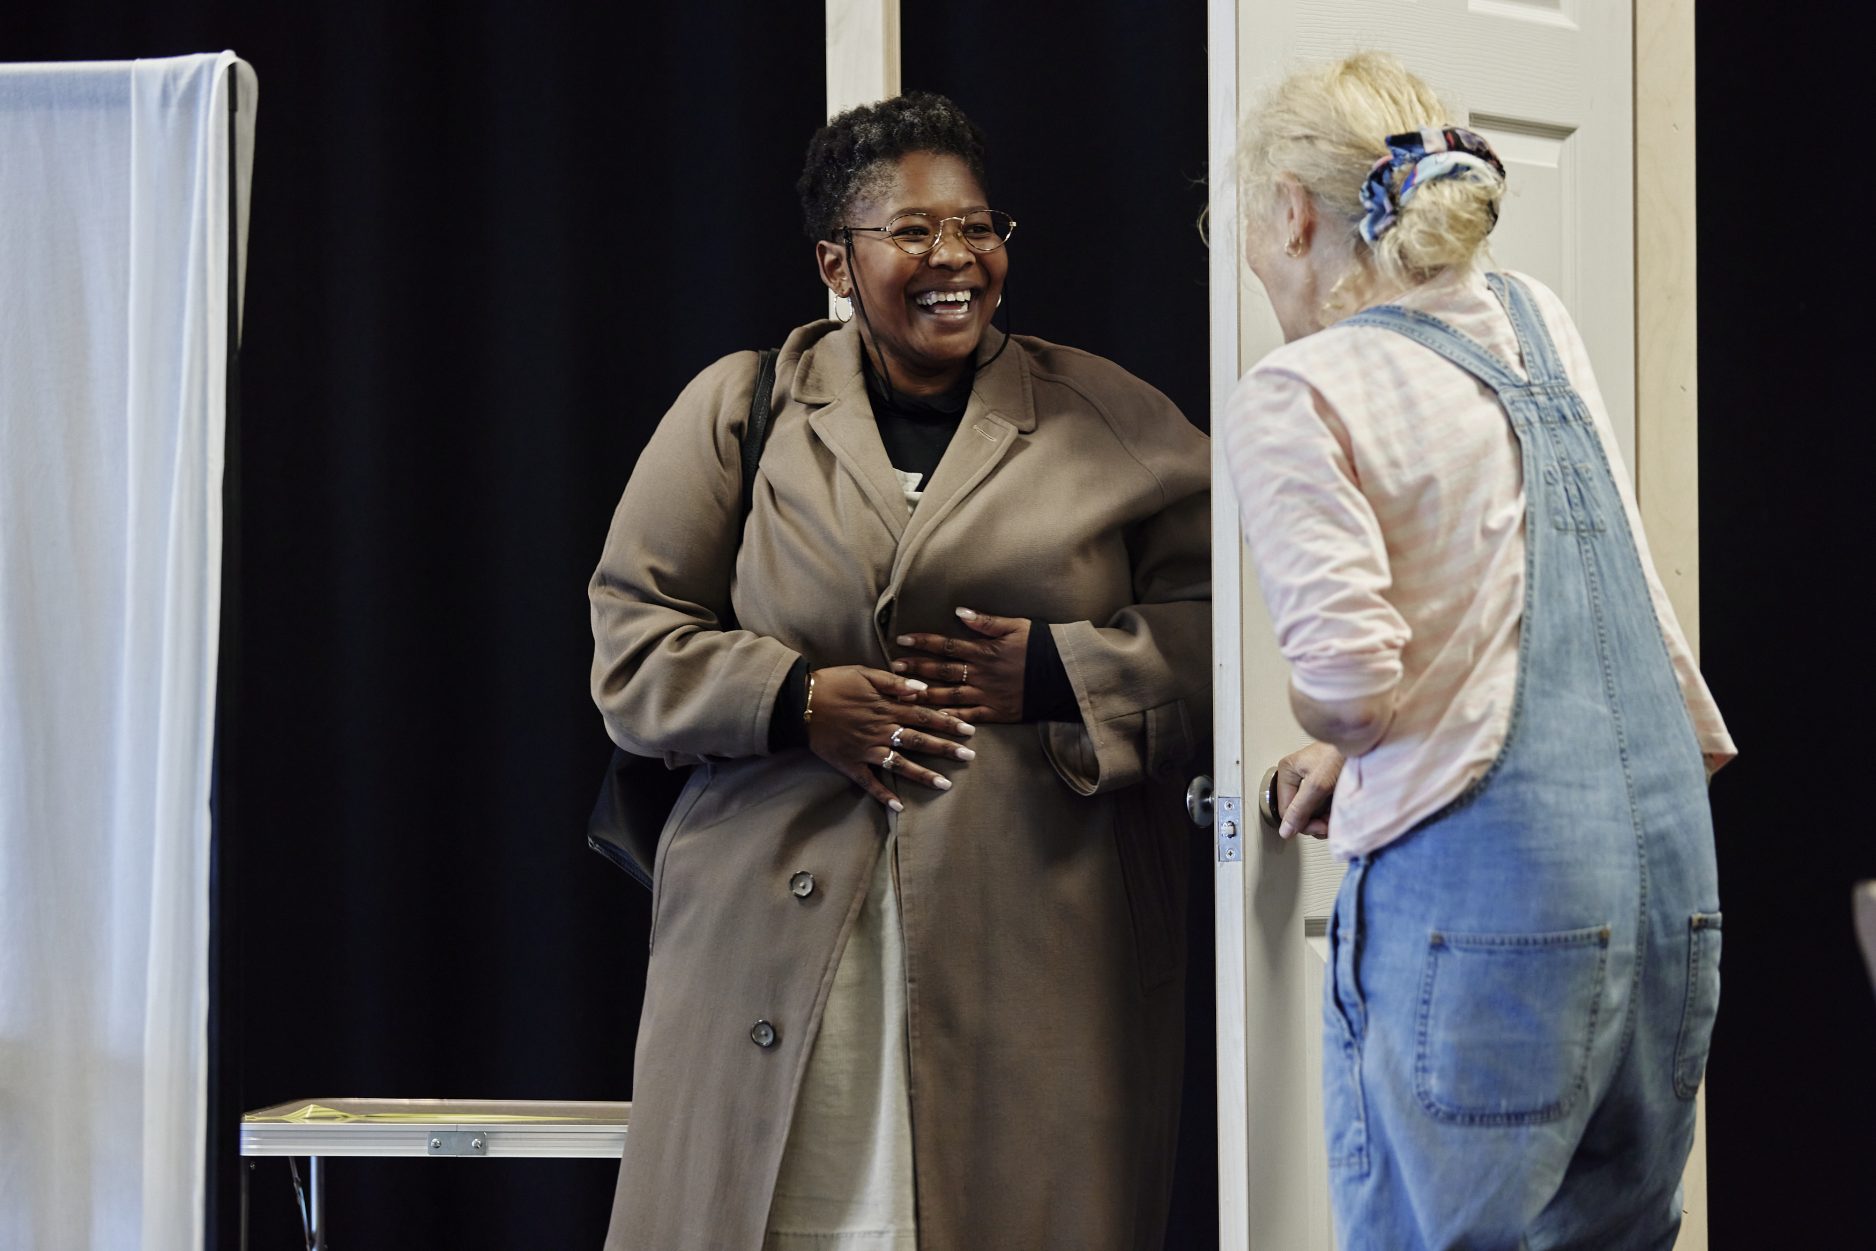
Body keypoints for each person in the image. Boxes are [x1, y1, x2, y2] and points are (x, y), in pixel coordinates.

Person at [588, 92, 1210, 1251]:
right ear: (836, 259)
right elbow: (632, 641)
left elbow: (1241, 635)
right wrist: (797, 700)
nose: (954, 260)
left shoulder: (1105, 416)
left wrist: (1065, 674)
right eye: (913, 233)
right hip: (772, 934)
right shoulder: (742, 409)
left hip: (1038, 933)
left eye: (977, 228)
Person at [1222, 53, 1735, 1250]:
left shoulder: (1297, 388)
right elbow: (1526, 598)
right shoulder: (1537, 322)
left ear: (1292, 213)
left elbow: (1349, 687)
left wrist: (1328, 725)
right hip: (1665, 887)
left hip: (1491, 909)